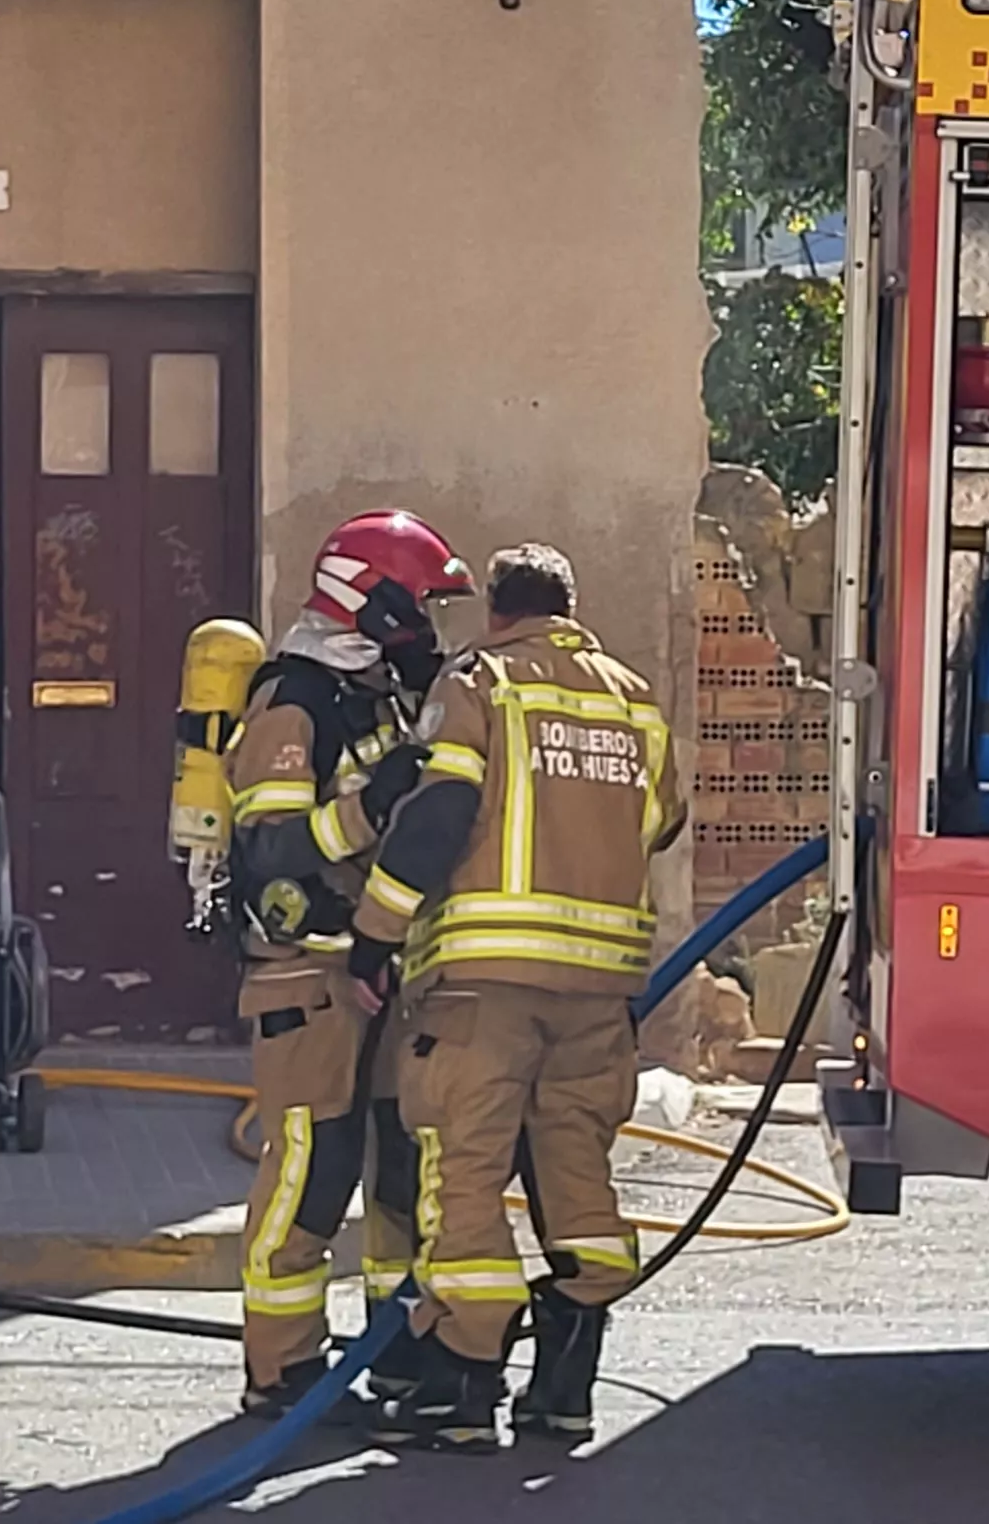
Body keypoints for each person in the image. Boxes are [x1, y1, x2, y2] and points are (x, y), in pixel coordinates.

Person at [348, 543, 684, 1451]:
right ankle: (565, 1390)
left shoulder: (484, 682)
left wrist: (374, 939)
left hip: (487, 987)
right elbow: (662, 820)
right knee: (578, 1181)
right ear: (570, 608)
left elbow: (439, 813)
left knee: (464, 1181)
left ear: (499, 610)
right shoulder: (635, 699)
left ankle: (462, 1390)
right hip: (601, 993)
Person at [219, 509, 467, 1413]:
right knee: (312, 1171)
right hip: (307, 971)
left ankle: (390, 1347)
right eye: (423, 603)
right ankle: (282, 1368)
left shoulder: (377, 694)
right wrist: (373, 800)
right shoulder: (296, 701)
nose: (431, 624)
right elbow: (277, 851)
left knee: (400, 1167)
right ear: (372, 600)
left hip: (383, 970)